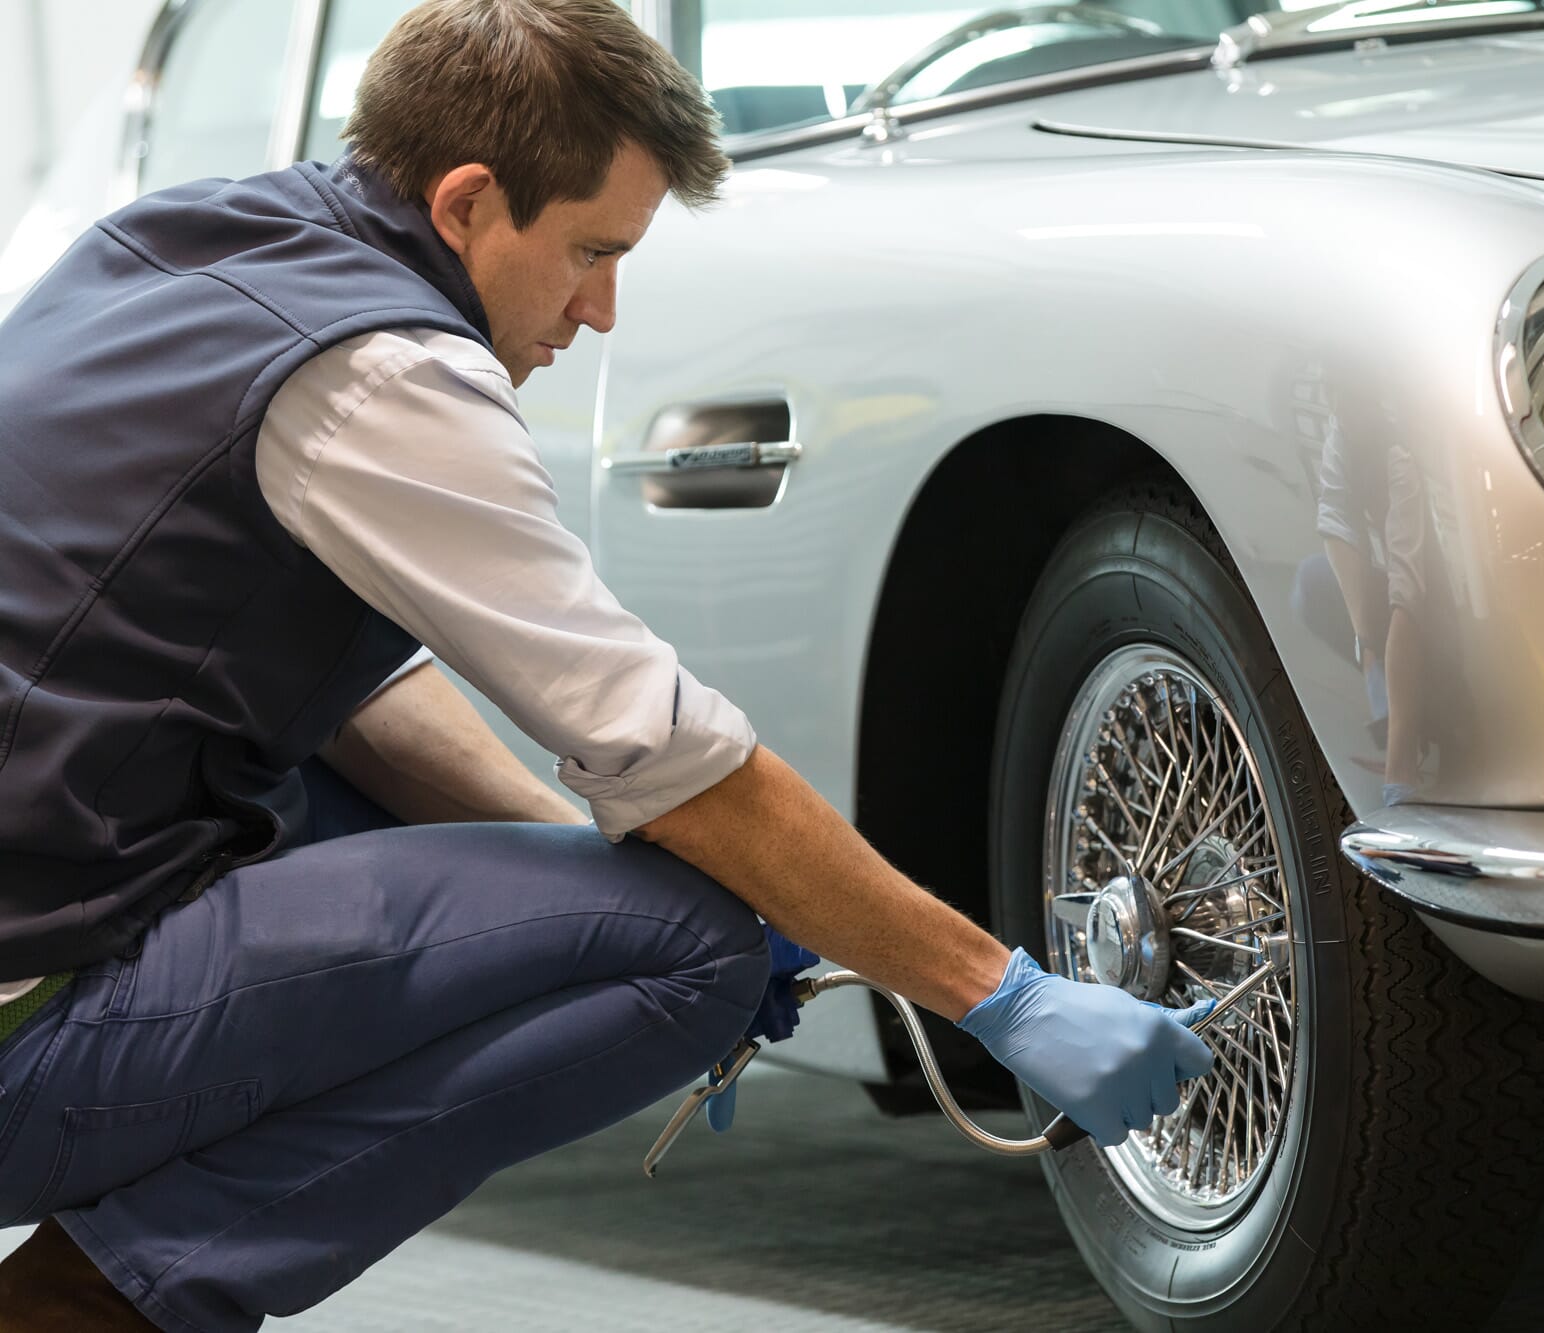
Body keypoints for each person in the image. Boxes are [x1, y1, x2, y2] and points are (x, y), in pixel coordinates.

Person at [0, 3, 1212, 1328]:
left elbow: (351, 696)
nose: (600, 306)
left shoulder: (175, 244)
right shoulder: (383, 371)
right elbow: (676, 761)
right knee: (686, 947)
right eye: (590, 249)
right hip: (25, 1022)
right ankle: (96, 1301)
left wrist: (571, 885)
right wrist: (1002, 992)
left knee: (610, 892)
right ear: (467, 201)